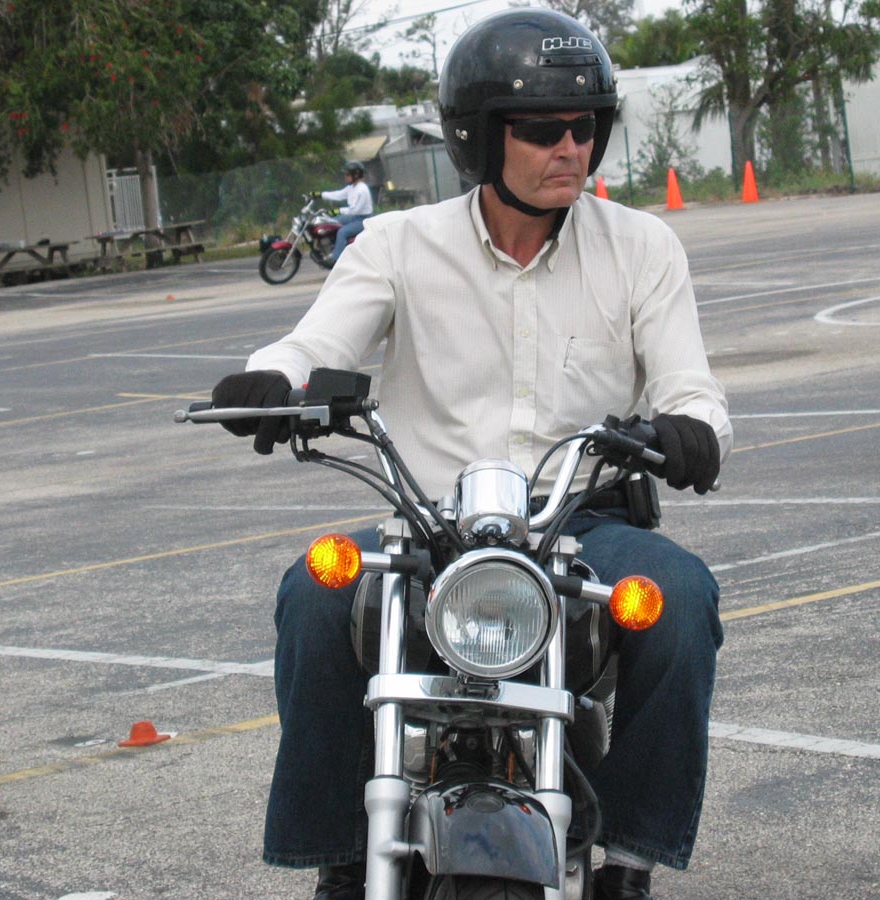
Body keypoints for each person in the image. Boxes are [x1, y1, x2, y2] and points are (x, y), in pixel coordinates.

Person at [210, 10, 731, 900]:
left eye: (584, 126)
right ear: (478, 137)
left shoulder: (643, 247)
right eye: (541, 129)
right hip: (431, 528)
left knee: (681, 600)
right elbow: (313, 343)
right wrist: (272, 381)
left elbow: (690, 387)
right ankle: (343, 859)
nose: (569, 147)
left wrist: (690, 430)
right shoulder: (398, 246)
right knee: (313, 593)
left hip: (582, 526)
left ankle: (630, 860)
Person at [321, 159, 373, 261]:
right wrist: (320, 195)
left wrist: (337, 211)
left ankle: (336, 259)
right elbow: (338, 195)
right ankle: (332, 247)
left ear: (356, 175)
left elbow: (355, 210)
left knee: (342, 232)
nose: (346, 177)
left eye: (348, 174)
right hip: (354, 217)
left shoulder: (362, 189)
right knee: (332, 222)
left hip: (363, 219)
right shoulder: (352, 187)